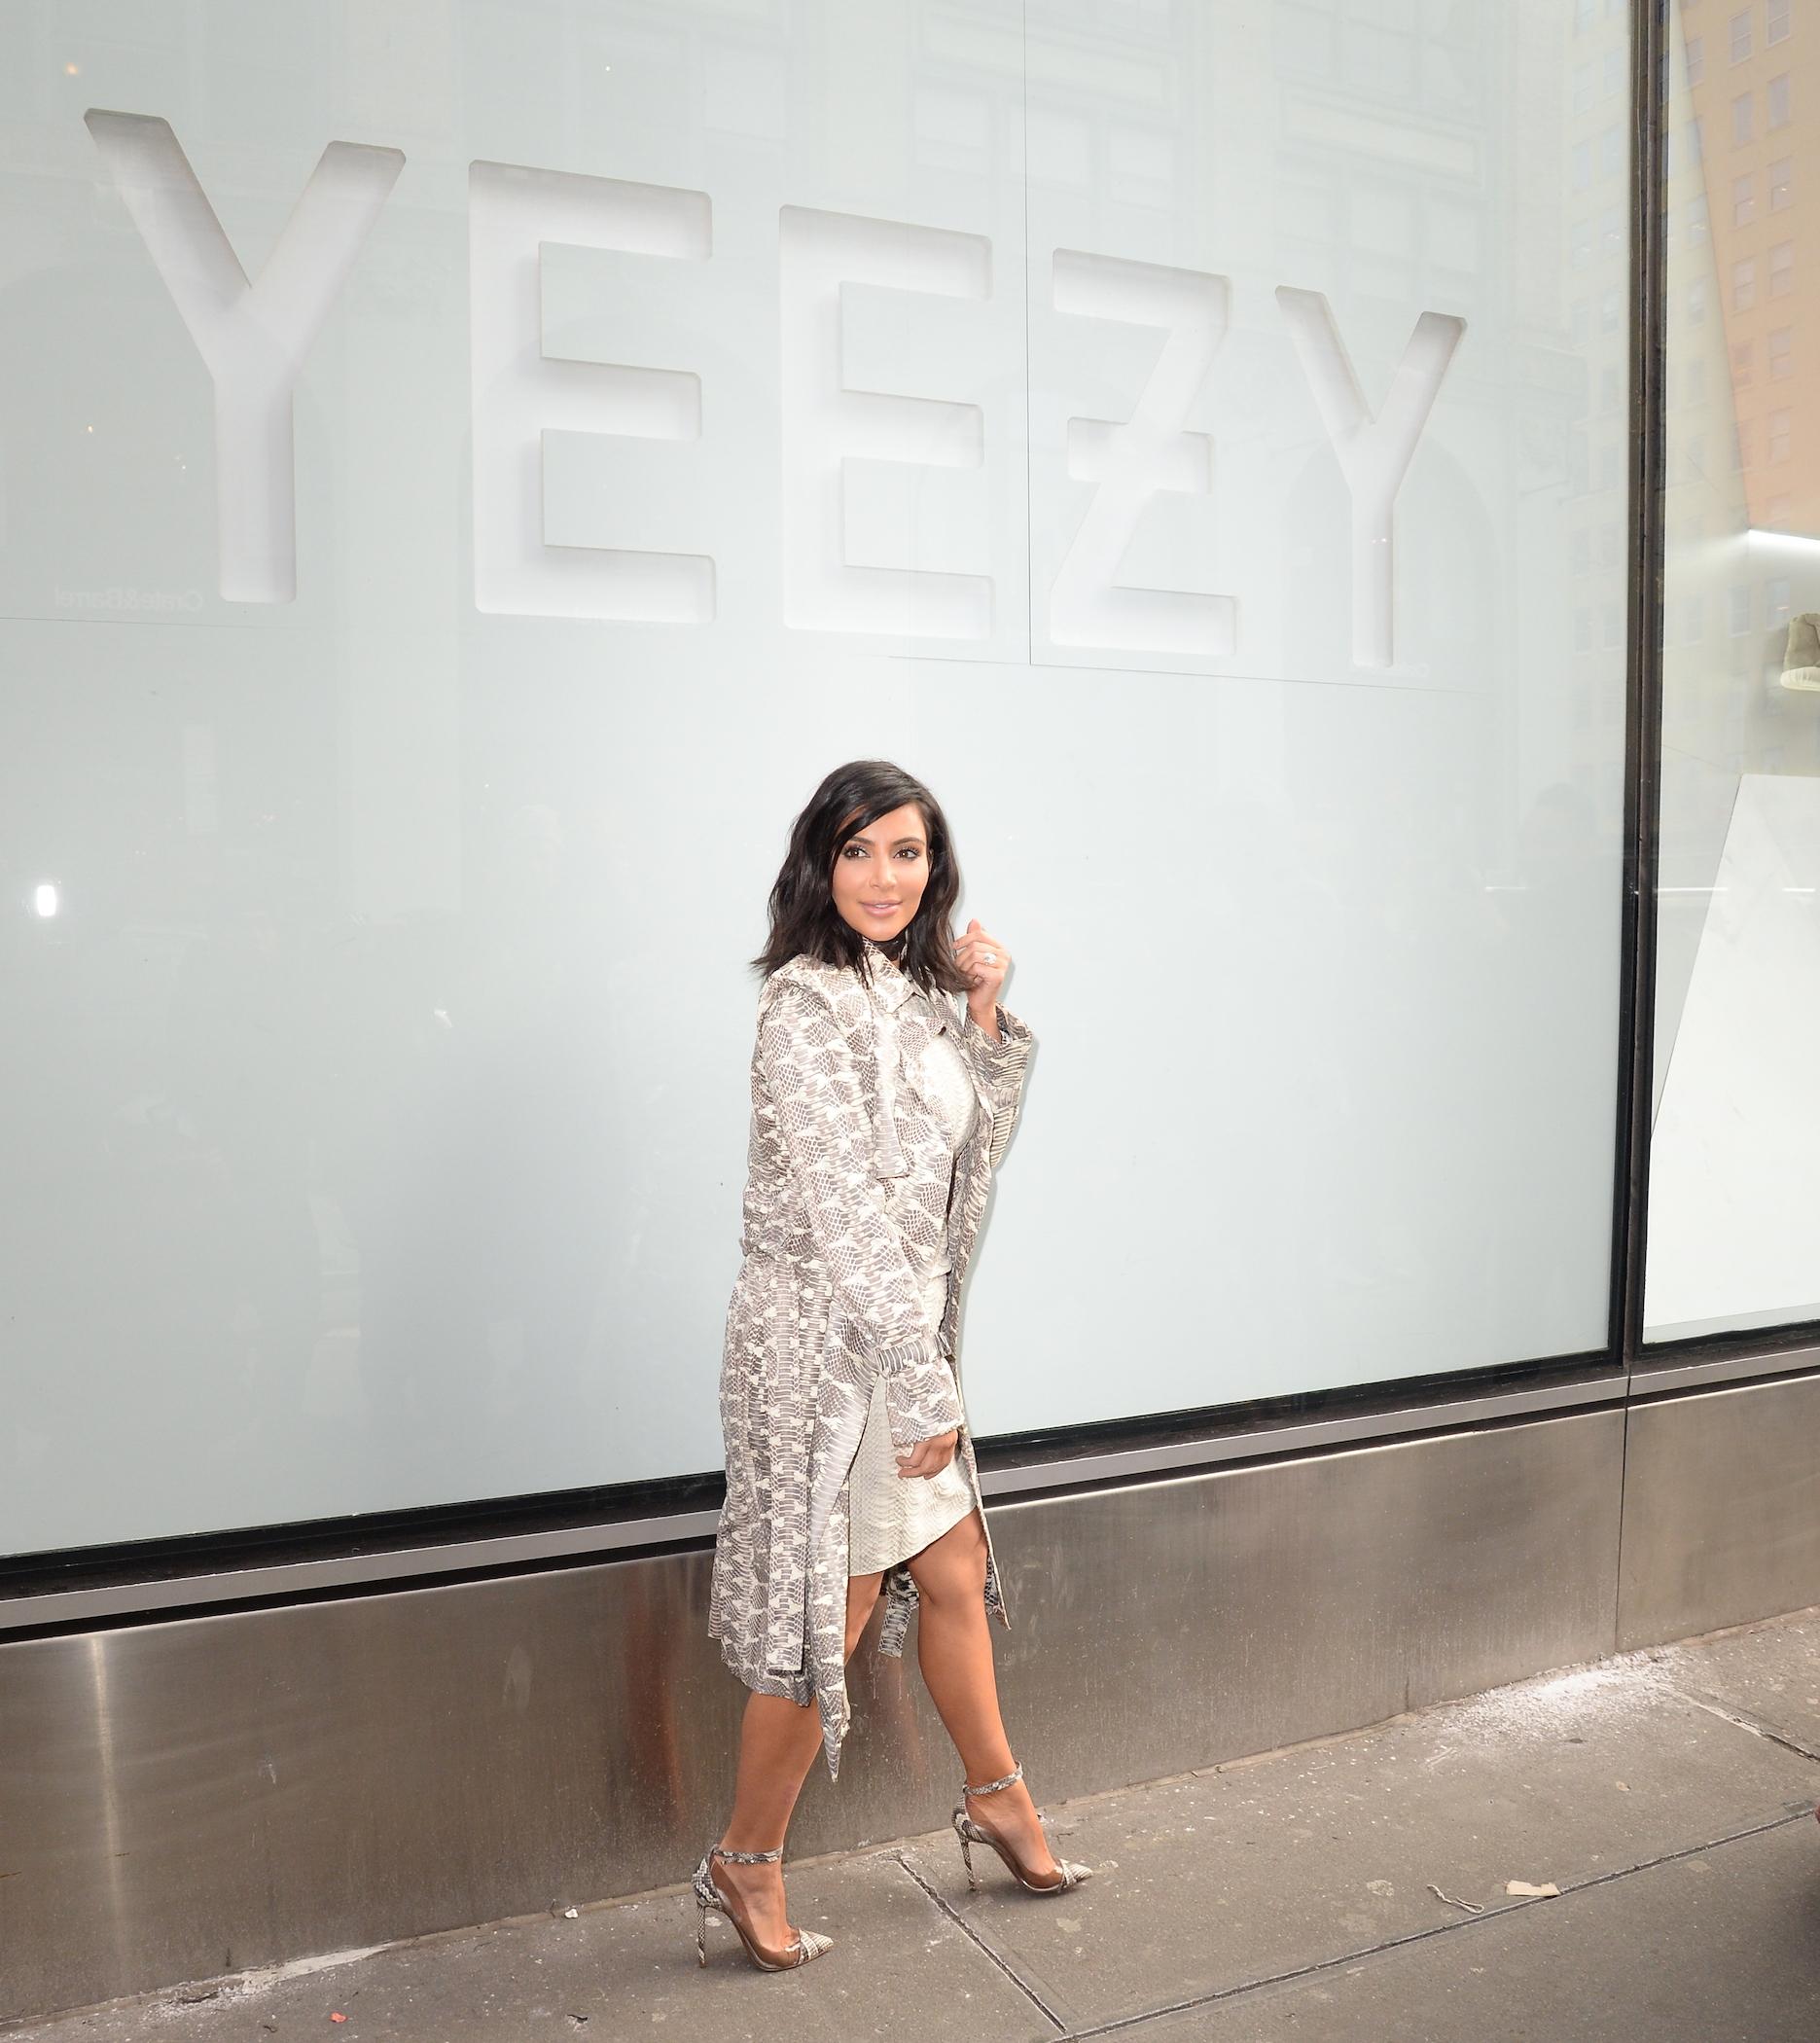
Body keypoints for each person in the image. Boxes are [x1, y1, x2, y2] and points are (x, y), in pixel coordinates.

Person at [693, 759, 1089, 1972]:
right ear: (820, 864)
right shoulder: (802, 1007)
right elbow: (847, 1213)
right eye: (859, 852)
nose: (883, 877)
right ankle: (743, 1859)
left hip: (907, 1344)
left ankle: (996, 1794)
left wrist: (979, 1016)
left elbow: (974, 1155)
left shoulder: (912, 995)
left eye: (906, 852)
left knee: (956, 1570)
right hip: (830, 1356)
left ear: (934, 865)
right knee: (840, 1607)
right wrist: (921, 1391)